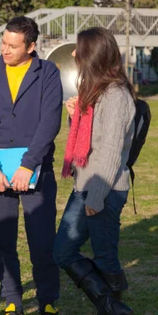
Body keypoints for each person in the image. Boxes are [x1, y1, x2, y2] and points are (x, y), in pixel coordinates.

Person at [0, 16, 62, 315]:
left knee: (42, 241)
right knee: (2, 242)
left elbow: (50, 122)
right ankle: (12, 299)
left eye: (13, 46)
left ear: (31, 46)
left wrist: (28, 165)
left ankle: (48, 299)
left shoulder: (48, 72)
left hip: (36, 170)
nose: (6, 50)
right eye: (3, 43)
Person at [53, 27, 135, 315]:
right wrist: (74, 115)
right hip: (85, 185)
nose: (74, 54)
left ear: (93, 55)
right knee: (62, 251)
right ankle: (111, 305)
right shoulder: (95, 92)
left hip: (105, 189)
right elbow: (88, 139)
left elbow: (111, 151)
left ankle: (113, 308)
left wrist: (96, 198)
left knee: (105, 257)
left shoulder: (116, 96)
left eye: (78, 49)